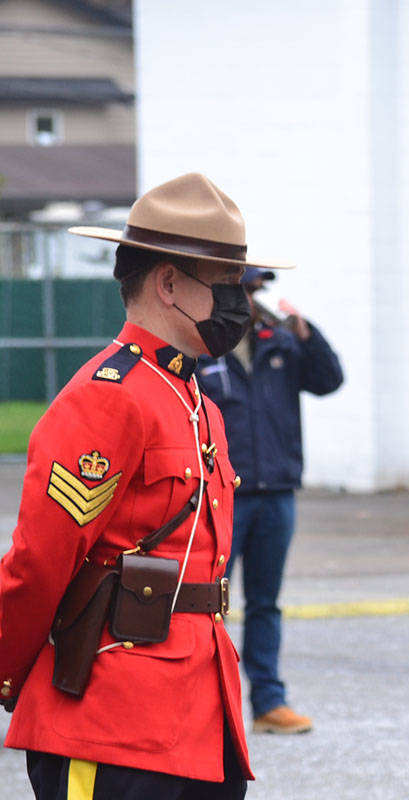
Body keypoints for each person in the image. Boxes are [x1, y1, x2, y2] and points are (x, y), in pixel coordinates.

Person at [0, 172, 293, 798]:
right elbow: (42, 561)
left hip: (199, 716)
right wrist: (8, 671)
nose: (240, 303)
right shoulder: (109, 399)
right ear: (168, 283)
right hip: (111, 713)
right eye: (226, 285)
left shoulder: (196, 399)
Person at [196, 267, 343, 734]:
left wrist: (306, 332)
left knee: (265, 604)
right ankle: (206, 707)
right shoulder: (203, 349)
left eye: (258, 289)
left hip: (276, 493)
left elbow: (328, 379)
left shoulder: (279, 341)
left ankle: (268, 703)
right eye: (247, 288)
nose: (255, 297)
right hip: (223, 497)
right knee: (206, 603)